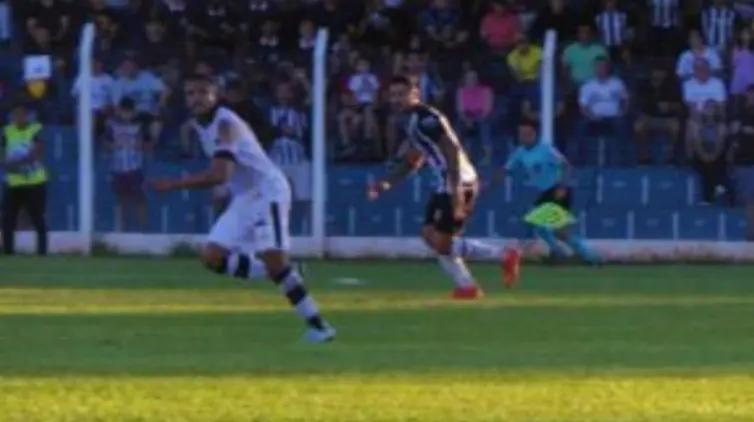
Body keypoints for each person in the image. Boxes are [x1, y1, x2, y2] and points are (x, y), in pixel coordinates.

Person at [150, 75, 334, 343]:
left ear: (216, 94)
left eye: (203, 92)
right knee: (213, 257)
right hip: (246, 196)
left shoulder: (225, 124)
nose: (196, 97)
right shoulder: (199, 124)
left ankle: (319, 326)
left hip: (268, 190)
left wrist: (173, 184)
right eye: (191, 93)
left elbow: (220, 175)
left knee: (274, 259)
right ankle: (285, 272)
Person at [367, 76, 520, 299]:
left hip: (458, 182)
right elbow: (414, 159)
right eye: (393, 95)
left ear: (415, 94)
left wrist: (456, 189)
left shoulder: (427, 118)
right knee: (429, 235)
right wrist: (387, 183)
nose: (397, 99)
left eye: (402, 94)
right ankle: (473, 281)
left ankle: (490, 267)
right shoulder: (411, 121)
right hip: (443, 183)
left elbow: (452, 150)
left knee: (442, 242)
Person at [501, 121, 598, 265]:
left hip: (557, 190)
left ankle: (572, 255)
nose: (522, 137)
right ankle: (583, 256)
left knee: (547, 226)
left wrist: (563, 187)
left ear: (533, 134)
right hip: (546, 193)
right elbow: (506, 169)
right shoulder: (519, 152)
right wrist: (487, 185)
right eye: (520, 134)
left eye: (525, 134)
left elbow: (565, 165)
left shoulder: (546, 149)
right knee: (556, 230)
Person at [2, 102, 50, 256]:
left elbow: (38, 151)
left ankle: (42, 252)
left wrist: (19, 161)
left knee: (37, 219)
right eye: (15, 114)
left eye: (22, 114)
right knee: (7, 219)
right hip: (14, 183)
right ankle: (8, 251)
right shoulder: (6, 132)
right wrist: (7, 162)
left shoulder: (35, 129)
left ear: (27, 115)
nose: (19, 118)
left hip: (34, 182)